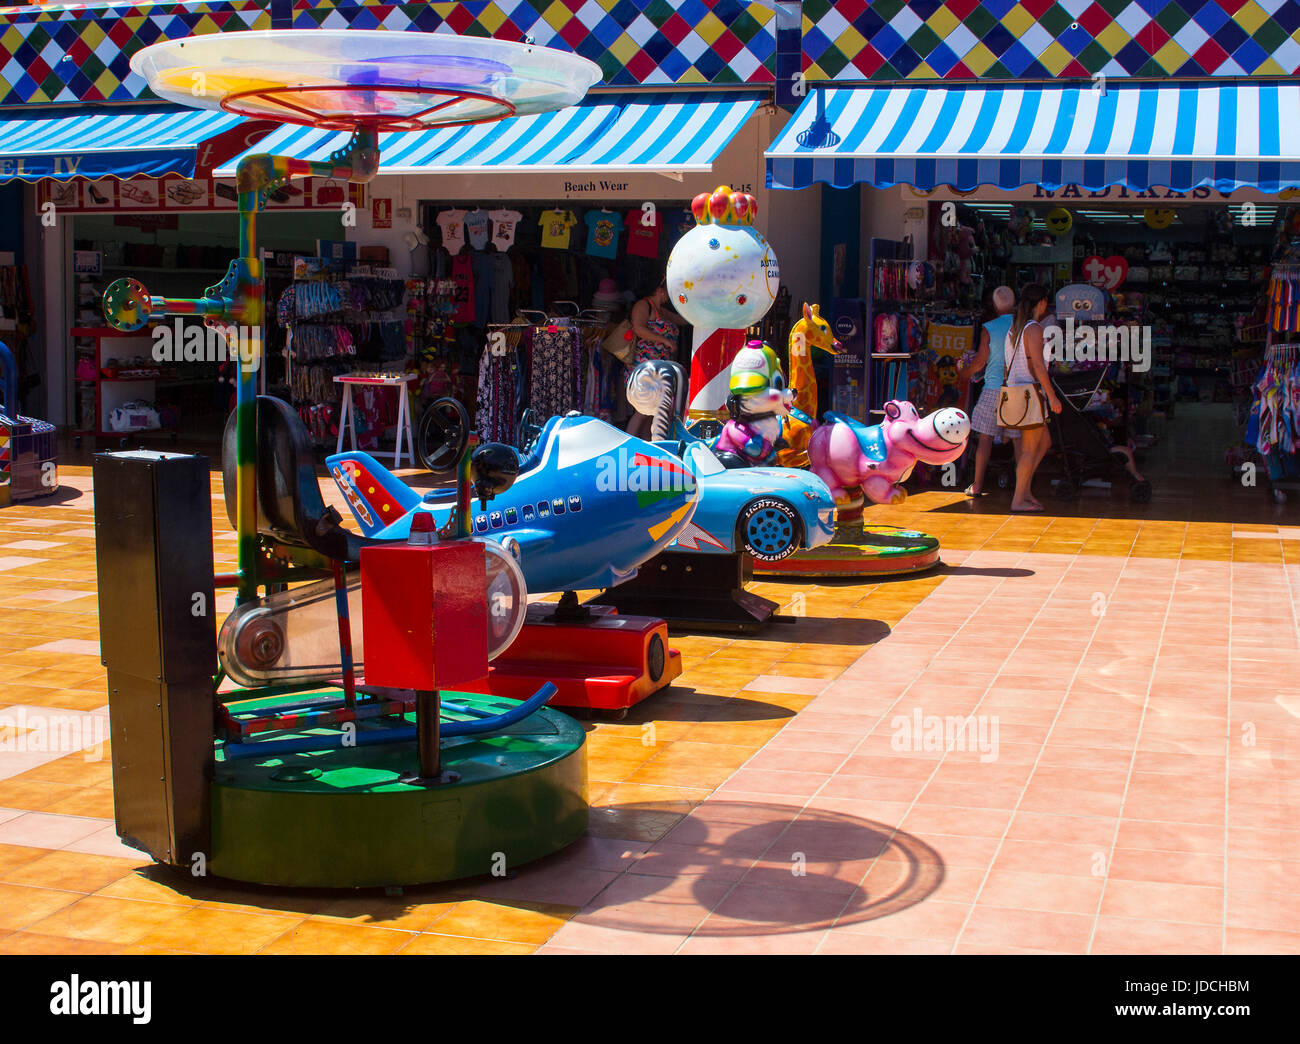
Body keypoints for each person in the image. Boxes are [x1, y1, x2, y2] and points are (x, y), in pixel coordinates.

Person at [1003, 283, 1062, 512]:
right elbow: (1038, 366)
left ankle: (1025, 489)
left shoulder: (1015, 328)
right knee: (1029, 449)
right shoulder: (1034, 328)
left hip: (1017, 392)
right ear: (1042, 303)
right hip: (1030, 394)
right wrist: (1052, 396)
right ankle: (1019, 498)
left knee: (1044, 442)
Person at [960, 285, 1017, 496]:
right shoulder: (1025, 326)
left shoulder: (989, 328)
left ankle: (977, 486)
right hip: (1017, 389)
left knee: (984, 438)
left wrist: (966, 372)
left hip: (993, 388)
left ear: (994, 305)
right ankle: (1021, 487)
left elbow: (980, 361)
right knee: (1018, 439)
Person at [626, 278, 686, 438]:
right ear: (660, 290)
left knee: (653, 409)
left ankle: (645, 442)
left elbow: (681, 320)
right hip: (646, 364)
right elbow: (638, 328)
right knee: (642, 408)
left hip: (659, 365)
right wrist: (665, 340)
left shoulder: (660, 310)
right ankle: (629, 440)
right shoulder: (643, 305)